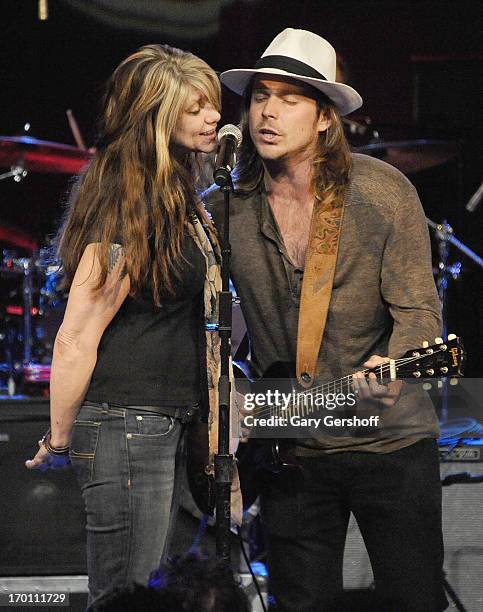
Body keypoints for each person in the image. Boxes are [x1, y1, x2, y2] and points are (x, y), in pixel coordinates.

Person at [204, 29, 447, 611]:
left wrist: (395, 365)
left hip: (388, 444)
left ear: (324, 119)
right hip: (291, 445)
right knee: (300, 603)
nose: (267, 111)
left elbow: (420, 315)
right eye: (260, 95)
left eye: (289, 99)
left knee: (412, 600)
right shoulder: (226, 204)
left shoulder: (382, 192)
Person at [25, 44, 221, 608]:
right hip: (125, 425)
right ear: (155, 117)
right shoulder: (124, 198)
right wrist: (58, 437)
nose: (213, 117)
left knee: (147, 592)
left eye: (211, 104)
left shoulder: (175, 191)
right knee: (125, 597)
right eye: (194, 108)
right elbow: (77, 332)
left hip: (158, 422)